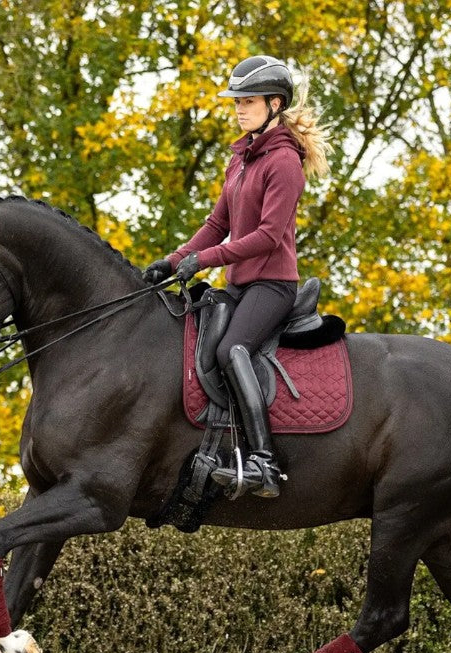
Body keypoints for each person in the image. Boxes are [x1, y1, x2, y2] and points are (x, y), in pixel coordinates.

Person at [144, 55, 332, 499]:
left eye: (248, 101)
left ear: (274, 104)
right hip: (239, 285)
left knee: (233, 349)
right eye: (236, 102)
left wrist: (205, 259)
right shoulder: (241, 159)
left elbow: (268, 236)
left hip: (273, 285)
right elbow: (217, 223)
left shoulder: (283, 162)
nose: (239, 109)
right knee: (193, 338)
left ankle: (265, 463)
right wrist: (172, 261)